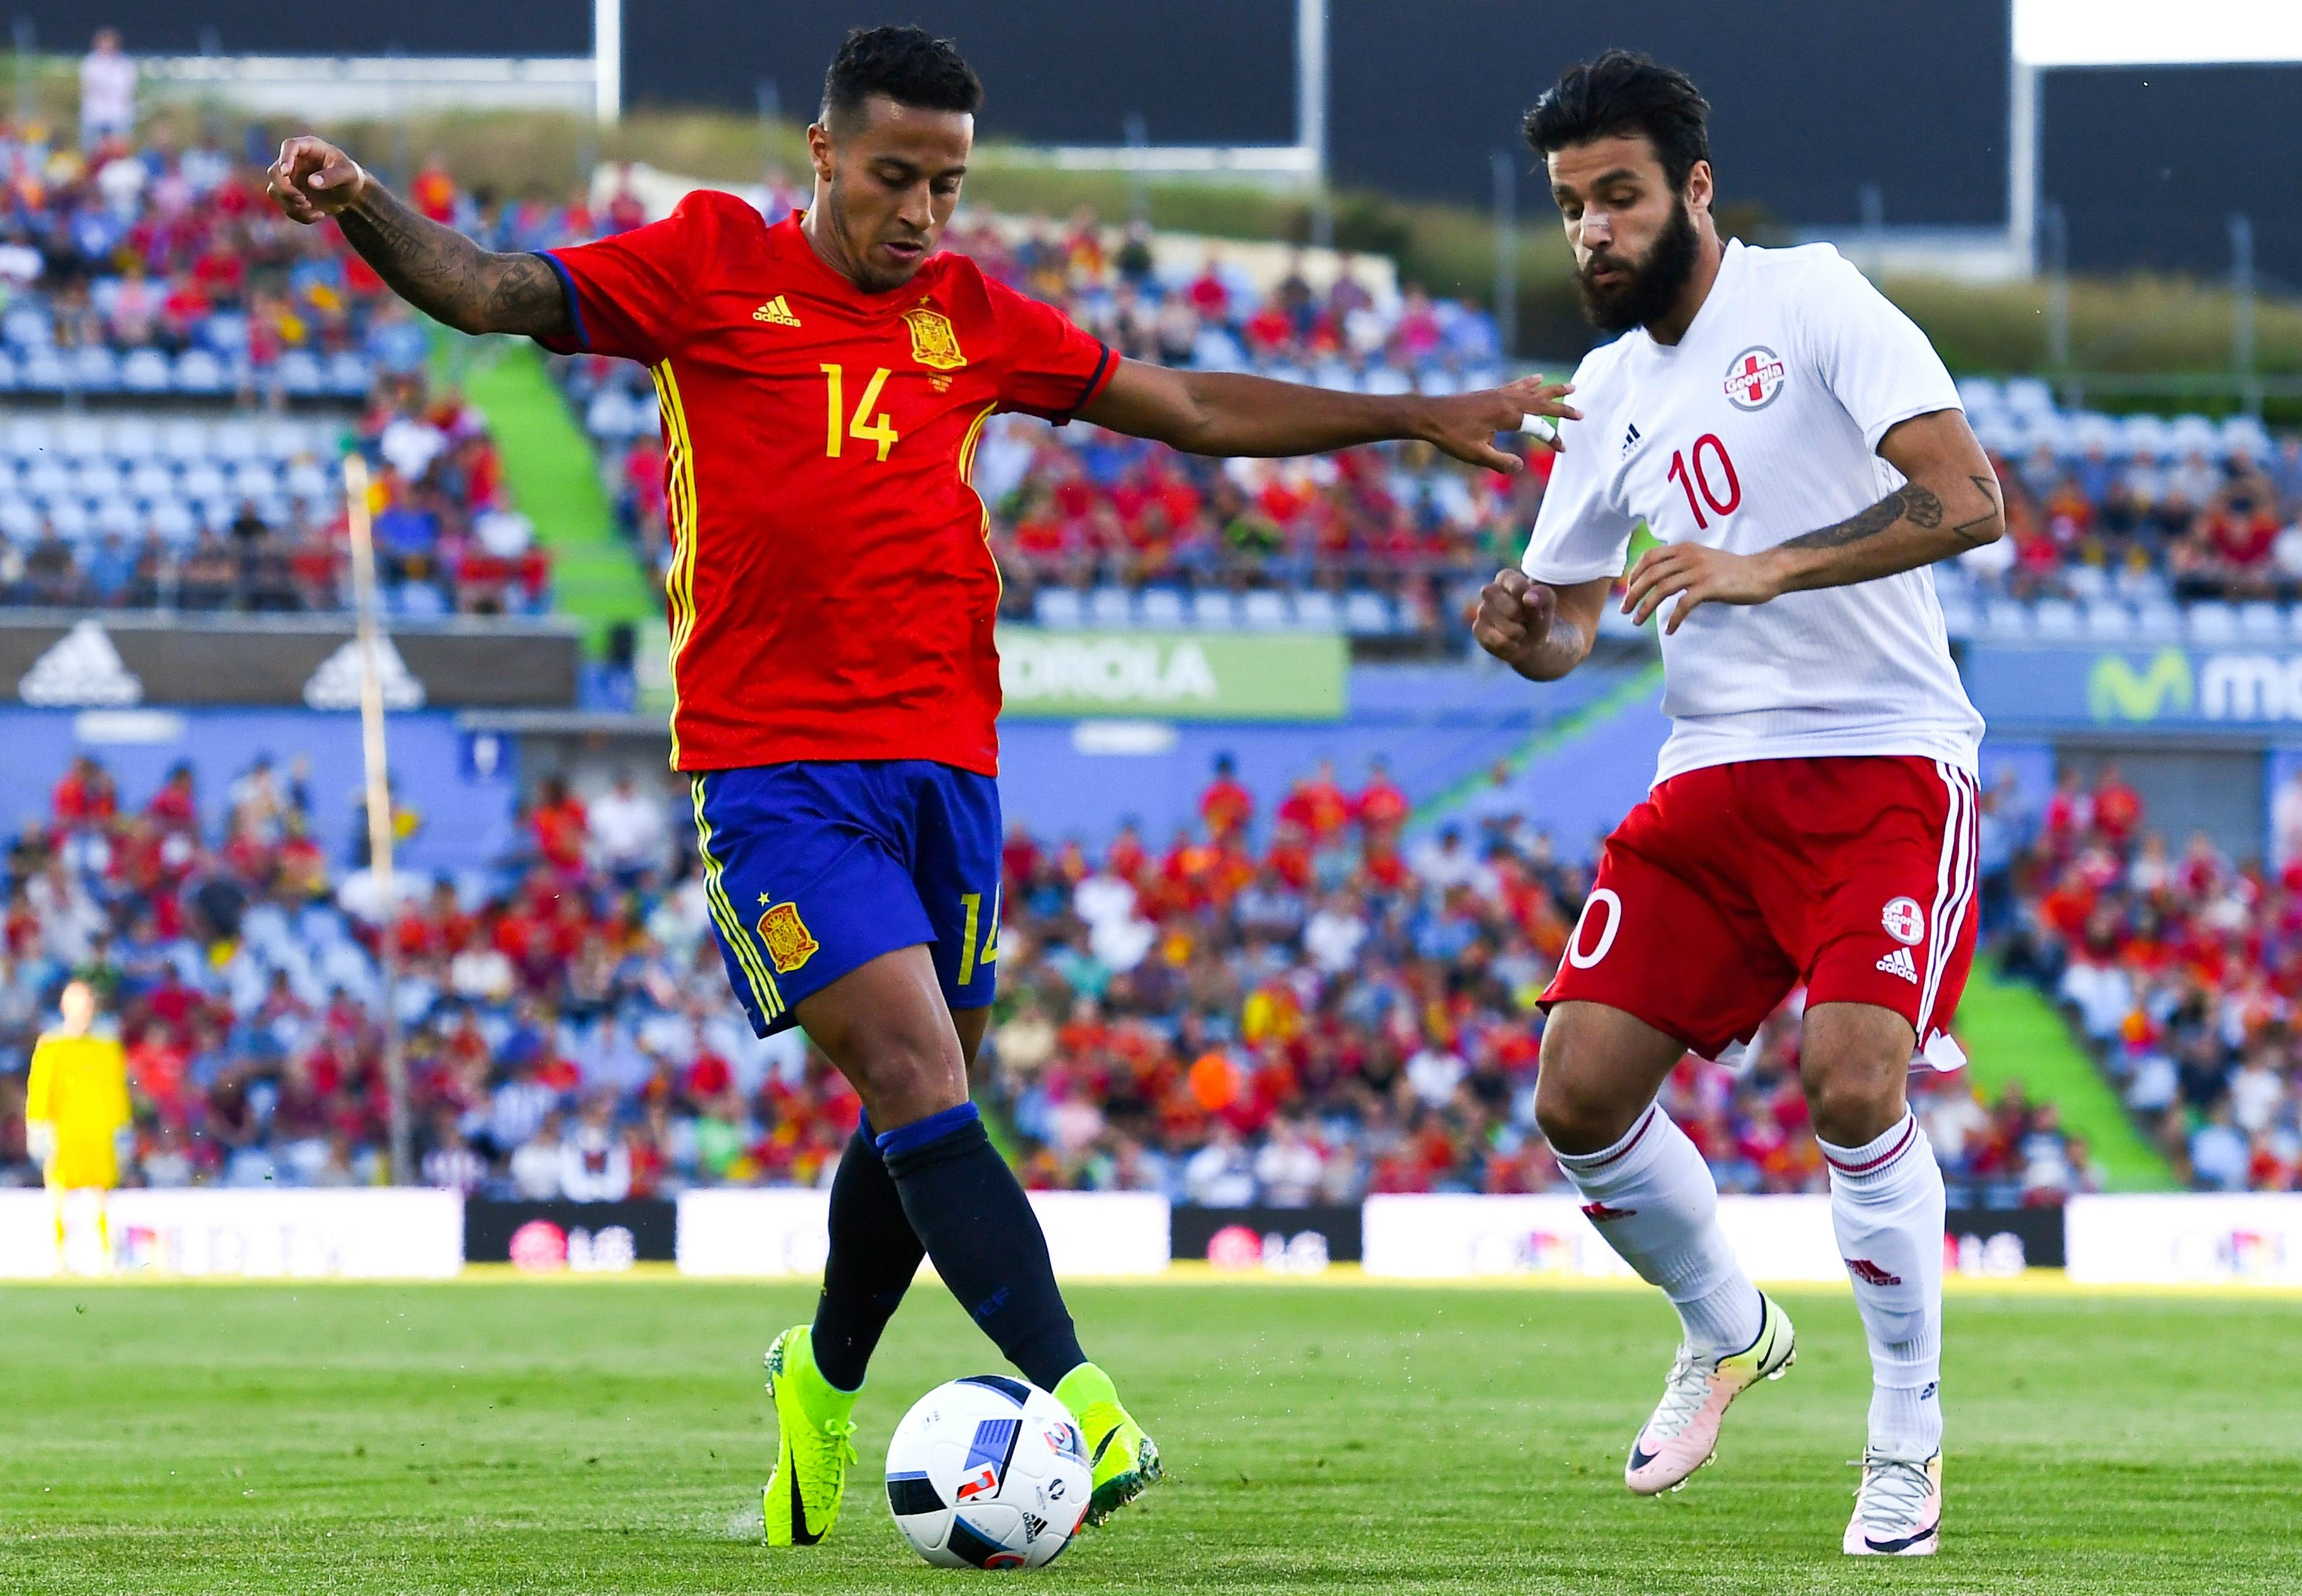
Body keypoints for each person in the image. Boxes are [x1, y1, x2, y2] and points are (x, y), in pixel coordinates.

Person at [264, 22, 1576, 1551]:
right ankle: (1082, 1404)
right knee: (913, 1078)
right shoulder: (707, 268)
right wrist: (361, 204)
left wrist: (1412, 414)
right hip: (772, 766)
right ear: (822, 157)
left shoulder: (970, 315)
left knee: (923, 1096)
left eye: (947, 185)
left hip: (946, 763)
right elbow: (491, 291)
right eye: (895, 177)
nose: (922, 215)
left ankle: (817, 1388)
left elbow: (1194, 412)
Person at [1473, 51, 2004, 1558]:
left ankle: (1903, 1433)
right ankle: (1725, 1327)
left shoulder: (1813, 299)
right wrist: (1529, 633)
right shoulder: (1603, 390)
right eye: (1570, 206)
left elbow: (1969, 499)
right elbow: (1573, 622)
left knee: (1850, 1079)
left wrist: (1762, 564)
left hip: (1881, 759)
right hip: (1705, 777)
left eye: (1618, 196)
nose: (1590, 230)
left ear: (1693, 190)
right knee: (1572, 1094)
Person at [25, 980, 134, 1274]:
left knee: (102, 1194)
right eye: (78, 1006)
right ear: (65, 1007)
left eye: (88, 1006)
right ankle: (59, 1259)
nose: (84, 1012)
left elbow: (117, 1090)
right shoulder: (52, 1045)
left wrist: (123, 1128)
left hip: (99, 1131)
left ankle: (108, 1257)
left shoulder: (108, 1046)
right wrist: (38, 1128)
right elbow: (41, 1089)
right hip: (65, 1133)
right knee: (59, 1193)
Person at [79, 29, 136, 152]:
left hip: (118, 116)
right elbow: (90, 87)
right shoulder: (90, 63)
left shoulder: (125, 64)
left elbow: (127, 90)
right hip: (94, 115)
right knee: (92, 152)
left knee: (118, 152)